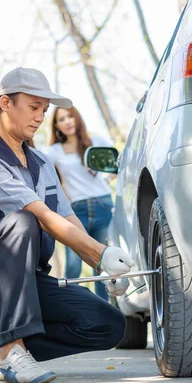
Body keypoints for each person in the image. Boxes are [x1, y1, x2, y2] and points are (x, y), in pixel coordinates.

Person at [0, 67, 134, 383]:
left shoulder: (43, 164)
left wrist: (102, 266)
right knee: (21, 220)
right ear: (6, 103)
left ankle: (8, 341)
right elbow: (42, 216)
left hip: (25, 284)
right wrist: (99, 253)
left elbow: (67, 218)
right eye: (33, 107)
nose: (40, 117)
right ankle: (11, 352)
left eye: (44, 111)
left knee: (109, 324)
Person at [44, 106, 114, 300]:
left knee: (102, 263)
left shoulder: (96, 142)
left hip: (103, 206)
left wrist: (106, 181)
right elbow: (40, 172)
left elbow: (116, 164)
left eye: (70, 117)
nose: (67, 121)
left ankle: (104, 311)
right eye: (61, 119)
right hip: (76, 211)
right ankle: (71, 306)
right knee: (73, 265)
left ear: (77, 118)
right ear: (56, 125)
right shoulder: (54, 151)